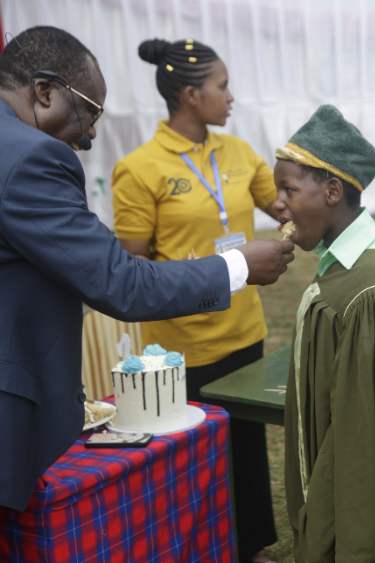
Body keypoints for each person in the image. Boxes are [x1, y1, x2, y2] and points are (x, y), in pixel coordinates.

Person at [0, 26, 295, 513]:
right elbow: (122, 280)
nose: (91, 134)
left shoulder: (237, 151)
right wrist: (236, 266)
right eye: (88, 112)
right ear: (44, 90)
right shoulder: (32, 156)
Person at [112, 38, 281, 562]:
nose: (230, 97)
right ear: (190, 94)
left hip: (243, 335)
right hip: (182, 351)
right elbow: (131, 270)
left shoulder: (237, 152)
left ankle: (249, 545)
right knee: (195, 465)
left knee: (246, 456)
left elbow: (281, 204)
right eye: (221, 86)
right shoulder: (139, 169)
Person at [272, 104, 375, 563]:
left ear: (332, 191)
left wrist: (334, 524)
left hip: (348, 492)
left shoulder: (370, 289)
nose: (278, 203)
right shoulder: (341, 267)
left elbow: (365, 438)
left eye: (289, 189)